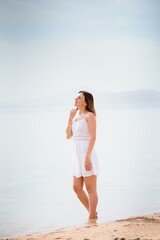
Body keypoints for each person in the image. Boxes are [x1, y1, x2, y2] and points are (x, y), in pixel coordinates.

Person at [66, 90, 99, 224]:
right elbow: (68, 136)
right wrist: (69, 119)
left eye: (79, 98)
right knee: (76, 188)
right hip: (76, 155)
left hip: (87, 153)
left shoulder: (89, 116)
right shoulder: (75, 117)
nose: (76, 99)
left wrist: (87, 157)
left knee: (91, 189)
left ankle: (91, 219)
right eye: (76, 97)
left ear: (86, 102)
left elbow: (93, 137)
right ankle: (93, 213)